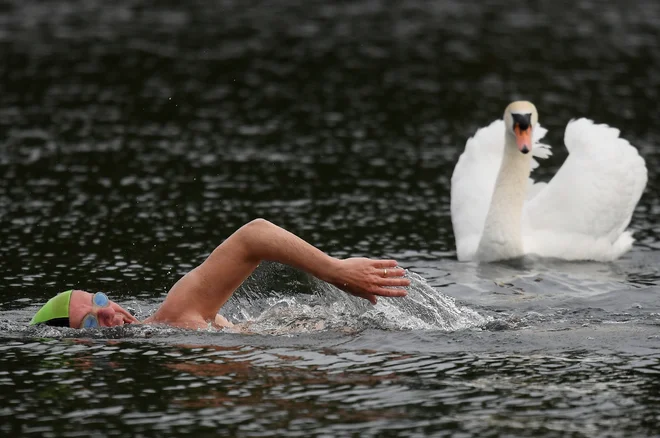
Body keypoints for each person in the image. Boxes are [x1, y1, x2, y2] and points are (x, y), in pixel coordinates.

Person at [30, 219, 411, 330]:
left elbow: (255, 235)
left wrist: (335, 270)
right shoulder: (172, 325)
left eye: (97, 302)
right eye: (92, 324)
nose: (108, 313)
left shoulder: (173, 315)